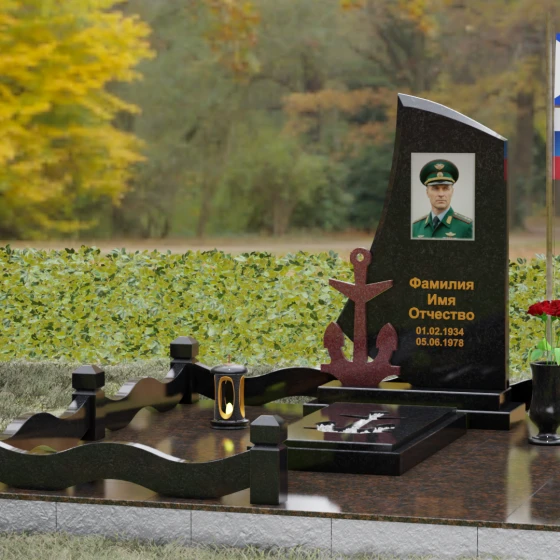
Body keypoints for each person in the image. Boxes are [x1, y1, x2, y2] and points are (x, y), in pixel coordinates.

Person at [412, 159, 473, 239]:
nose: (441, 194)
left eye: (446, 188)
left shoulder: (466, 227)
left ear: (452, 192)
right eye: (435, 188)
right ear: (427, 192)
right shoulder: (415, 227)